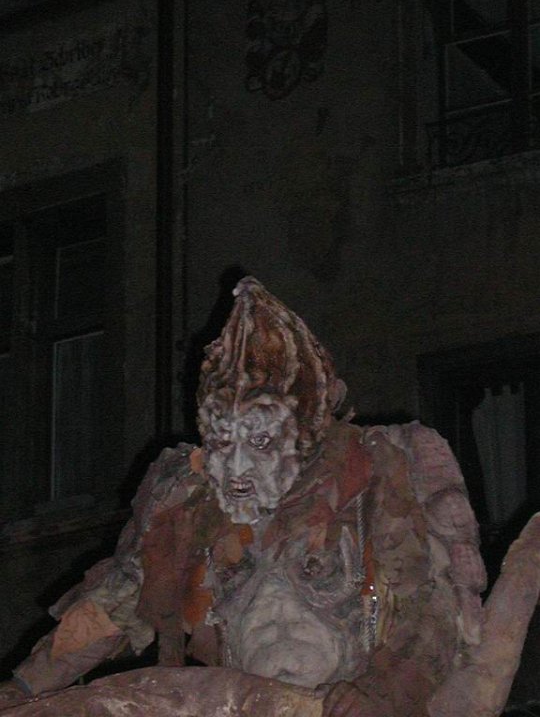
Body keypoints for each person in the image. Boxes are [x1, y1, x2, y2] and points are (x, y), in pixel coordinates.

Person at [0, 277, 538, 717]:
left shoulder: (378, 471)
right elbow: (114, 606)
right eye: (222, 442)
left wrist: (383, 690)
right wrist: (23, 688)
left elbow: (429, 606)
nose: (235, 467)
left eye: (258, 442)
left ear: (300, 433)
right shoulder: (188, 499)